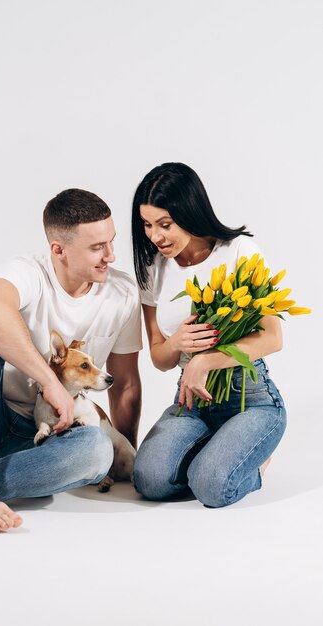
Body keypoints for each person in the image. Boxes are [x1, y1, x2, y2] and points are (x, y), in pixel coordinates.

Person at [0, 189, 142, 531]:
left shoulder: (122, 294)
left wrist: (124, 456)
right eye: (97, 247)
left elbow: (124, 384)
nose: (110, 255)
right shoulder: (28, 271)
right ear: (58, 250)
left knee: (97, 450)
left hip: (45, 443)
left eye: (111, 242)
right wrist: (50, 381)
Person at [131, 162, 286, 508]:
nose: (155, 236)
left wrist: (205, 360)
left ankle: (253, 465)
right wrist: (175, 344)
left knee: (212, 489)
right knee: (149, 481)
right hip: (191, 403)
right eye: (147, 224)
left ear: (190, 211)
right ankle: (217, 452)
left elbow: (273, 337)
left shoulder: (238, 251)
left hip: (249, 397)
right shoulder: (152, 268)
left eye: (165, 224)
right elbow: (158, 358)